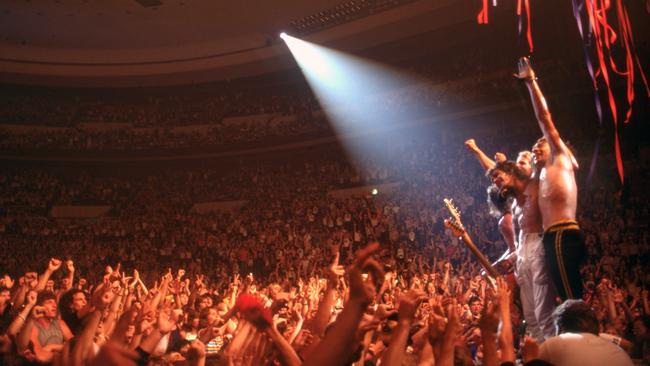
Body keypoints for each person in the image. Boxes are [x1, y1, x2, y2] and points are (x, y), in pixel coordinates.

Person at [515, 56, 586, 301]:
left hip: (561, 234)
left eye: (539, 145)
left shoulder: (559, 156)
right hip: (551, 238)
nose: (534, 149)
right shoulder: (540, 174)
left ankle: (583, 337)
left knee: (571, 300)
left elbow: (544, 118)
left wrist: (531, 82)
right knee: (561, 299)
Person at [487, 160, 556, 342]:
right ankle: (539, 355)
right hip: (523, 253)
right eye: (493, 178)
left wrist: (479, 152)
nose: (495, 181)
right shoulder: (516, 203)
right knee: (531, 314)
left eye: (497, 176)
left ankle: (553, 353)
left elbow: (508, 170)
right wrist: (512, 257)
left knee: (543, 310)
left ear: (511, 172)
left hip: (538, 244)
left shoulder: (533, 187)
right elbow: (519, 241)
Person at [532, 300, 634, 366]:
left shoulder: (556, 342)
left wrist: (529, 356)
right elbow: (630, 346)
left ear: (561, 327)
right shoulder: (603, 338)